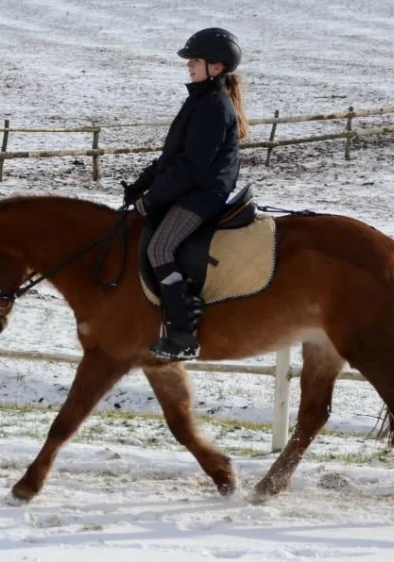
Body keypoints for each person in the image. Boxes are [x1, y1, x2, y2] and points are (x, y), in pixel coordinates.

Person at [123, 27, 249, 361]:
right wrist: (141, 183)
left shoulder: (213, 107)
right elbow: (171, 158)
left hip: (203, 194)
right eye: (190, 60)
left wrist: (151, 200)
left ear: (216, 67)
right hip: (192, 188)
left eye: (195, 60)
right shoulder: (199, 101)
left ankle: (182, 335)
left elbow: (191, 167)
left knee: (161, 249)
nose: (188, 66)